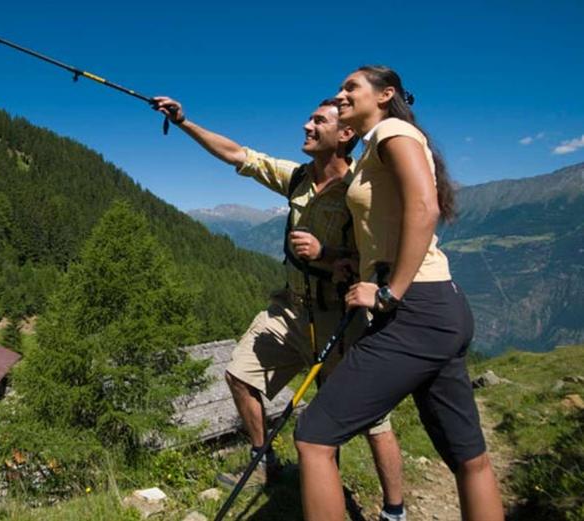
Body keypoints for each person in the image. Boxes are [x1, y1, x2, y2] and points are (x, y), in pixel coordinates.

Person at [153, 96, 406, 521]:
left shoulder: (359, 192)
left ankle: (394, 511)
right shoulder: (297, 178)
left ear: (345, 134)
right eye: (309, 118)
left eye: (318, 121)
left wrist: (326, 253)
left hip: (338, 316)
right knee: (239, 374)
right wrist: (184, 122)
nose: (306, 125)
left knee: (372, 418)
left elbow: (380, 256)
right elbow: (238, 155)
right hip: (288, 309)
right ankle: (264, 460)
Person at [294, 65, 505, 521]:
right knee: (469, 458)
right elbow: (389, 223)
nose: (341, 94)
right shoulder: (375, 149)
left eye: (351, 87)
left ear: (385, 94)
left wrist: (389, 292)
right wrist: (358, 263)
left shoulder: (392, 131)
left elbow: (424, 206)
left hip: (414, 312)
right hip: (441, 307)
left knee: (313, 435)